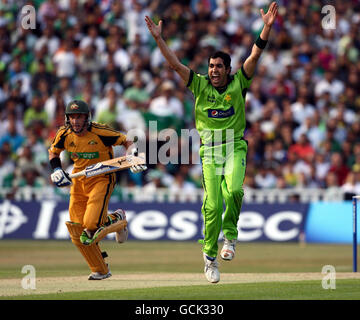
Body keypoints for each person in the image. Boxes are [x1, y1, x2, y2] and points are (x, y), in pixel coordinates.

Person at [145, 2, 278, 283]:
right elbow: (174, 64)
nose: (214, 70)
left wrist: (266, 27)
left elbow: (255, 56)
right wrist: (159, 39)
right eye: (211, 66)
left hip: (235, 146)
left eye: (219, 67)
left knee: (234, 192)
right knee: (213, 205)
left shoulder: (239, 82)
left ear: (229, 70)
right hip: (210, 151)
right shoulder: (199, 84)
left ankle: (230, 238)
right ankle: (209, 257)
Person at [48, 100, 147, 280]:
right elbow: (54, 152)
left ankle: (118, 219)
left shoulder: (100, 131)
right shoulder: (64, 133)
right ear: (67, 119)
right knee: (78, 231)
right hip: (79, 179)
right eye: (72, 117)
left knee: (92, 224)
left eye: (79, 117)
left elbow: (127, 141)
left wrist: (132, 154)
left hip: (102, 178)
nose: (76, 121)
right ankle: (100, 269)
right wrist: (56, 169)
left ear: (87, 118)